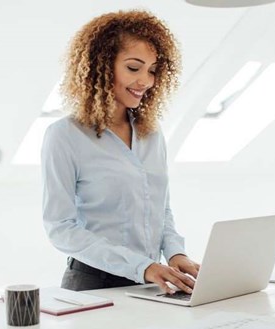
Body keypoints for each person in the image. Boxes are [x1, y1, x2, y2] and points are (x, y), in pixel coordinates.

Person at [41, 9, 199, 294]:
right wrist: (141, 266)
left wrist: (176, 254)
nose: (146, 81)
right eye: (134, 67)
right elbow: (60, 227)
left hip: (151, 282)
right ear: (101, 65)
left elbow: (160, 209)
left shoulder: (152, 134)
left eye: (152, 70)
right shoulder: (64, 136)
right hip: (93, 285)